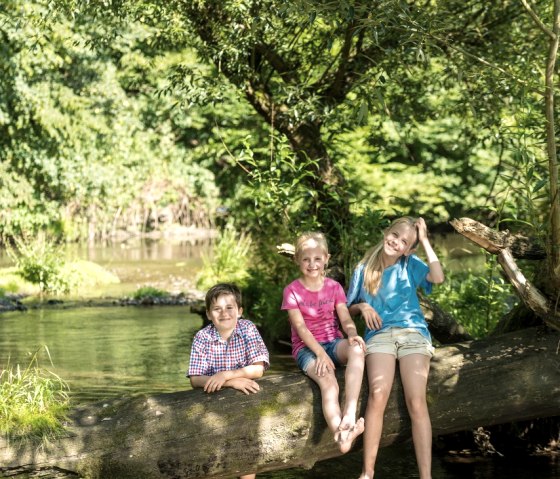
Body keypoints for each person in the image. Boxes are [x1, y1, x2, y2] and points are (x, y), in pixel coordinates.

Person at [346, 217, 444, 479]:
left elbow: (438, 277)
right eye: (395, 235)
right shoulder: (363, 269)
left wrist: (423, 240)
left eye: (404, 242)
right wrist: (363, 306)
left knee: (416, 401)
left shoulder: (410, 264)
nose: (396, 242)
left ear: (409, 249)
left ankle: (426, 476)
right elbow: (347, 309)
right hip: (380, 336)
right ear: (386, 232)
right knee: (378, 393)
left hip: (413, 334)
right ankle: (367, 473)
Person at [281, 232, 366, 454]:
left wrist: (352, 334)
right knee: (329, 382)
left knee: (358, 349)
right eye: (306, 259)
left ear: (326, 258)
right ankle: (342, 436)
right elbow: (300, 328)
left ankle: (349, 413)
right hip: (307, 349)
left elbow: (345, 317)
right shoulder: (291, 291)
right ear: (297, 260)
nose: (312, 264)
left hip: (334, 342)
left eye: (317, 258)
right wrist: (320, 354)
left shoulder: (334, 287)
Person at [187, 282, 269, 479]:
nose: (224, 313)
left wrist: (226, 374)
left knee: (246, 449)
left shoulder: (248, 329)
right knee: (213, 455)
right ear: (208, 314)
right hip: (211, 404)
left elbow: (258, 369)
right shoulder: (202, 337)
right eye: (217, 309)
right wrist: (230, 382)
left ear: (239, 311)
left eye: (229, 307)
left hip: (244, 404)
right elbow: (195, 379)